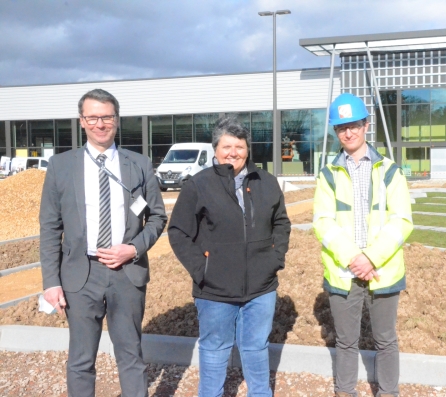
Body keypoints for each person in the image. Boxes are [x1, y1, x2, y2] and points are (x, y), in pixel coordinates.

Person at [40, 88, 167, 397]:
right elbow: (49, 227)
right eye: (93, 117)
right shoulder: (61, 166)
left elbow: (157, 217)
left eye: (106, 116)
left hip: (127, 273)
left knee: (131, 356)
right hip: (80, 276)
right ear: (82, 121)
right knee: (81, 360)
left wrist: (133, 248)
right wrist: (51, 282)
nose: (100, 124)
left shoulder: (138, 164)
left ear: (117, 120)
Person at [168, 117, 291, 397]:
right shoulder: (198, 185)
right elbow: (178, 232)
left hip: (261, 287)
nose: (233, 152)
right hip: (214, 289)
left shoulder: (267, 182)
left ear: (248, 149)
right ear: (215, 149)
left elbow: (282, 223)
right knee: (214, 349)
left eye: (239, 146)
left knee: (256, 347)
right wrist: (203, 269)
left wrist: (275, 259)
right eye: (227, 146)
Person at [313, 93, 414, 397]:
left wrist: (370, 258)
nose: (348, 132)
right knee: (345, 342)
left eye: (354, 125)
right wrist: (353, 258)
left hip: (383, 270)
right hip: (344, 272)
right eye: (341, 127)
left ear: (366, 125)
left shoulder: (391, 171)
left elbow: (402, 221)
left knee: (385, 340)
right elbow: (322, 222)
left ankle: (388, 393)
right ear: (335, 132)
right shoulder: (328, 175)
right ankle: (345, 392)